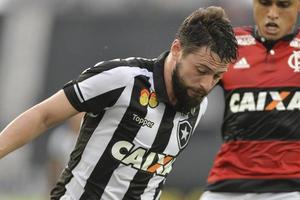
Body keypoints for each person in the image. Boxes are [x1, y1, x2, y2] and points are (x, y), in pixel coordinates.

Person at [0, 6, 237, 200]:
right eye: (201, 70)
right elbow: (44, 115)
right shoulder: (123, 79)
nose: (207, 85)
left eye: (216, 76)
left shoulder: (198, 104)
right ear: (177, 49)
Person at [201, 1, 300, 200]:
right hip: (227, 184)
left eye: (283, 5)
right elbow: (186, 83)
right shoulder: (230, 44)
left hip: (290, 187)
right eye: (264, 3)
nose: (272, 13)